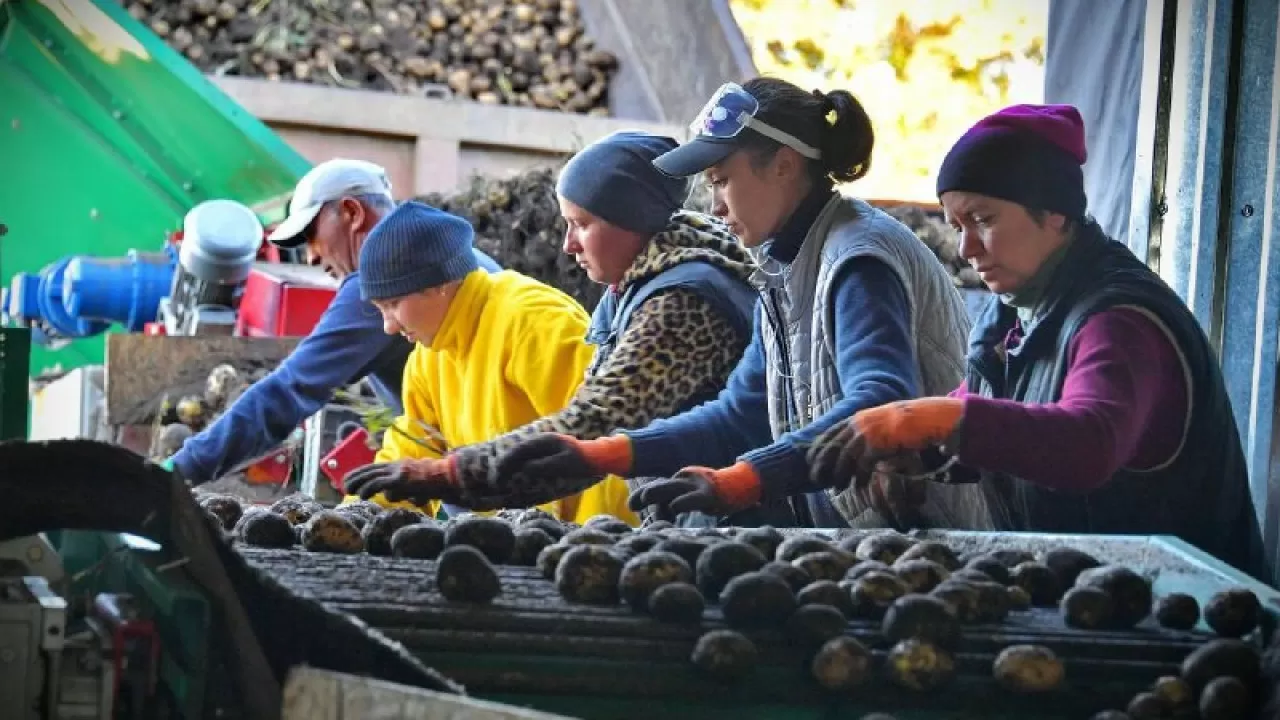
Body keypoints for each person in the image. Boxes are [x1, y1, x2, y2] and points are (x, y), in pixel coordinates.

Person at [479, 77, 981, 530]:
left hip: (935, 538)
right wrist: (608, 454)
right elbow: (742, 412)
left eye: (722, 181)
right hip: (864, 536)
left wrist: (742, 481)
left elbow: (878, 399)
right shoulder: (781, 269)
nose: (715, 206)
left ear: (784, 166)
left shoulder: (858, 257)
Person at [805, 104, 1266, 577]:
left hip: (1194, 618)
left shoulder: (1121, 321)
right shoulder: (1019, 316)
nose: (966, 249)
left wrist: (922, 417)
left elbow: (1087, 444)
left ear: (1055, 215)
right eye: (957, 226)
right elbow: (993, 415)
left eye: (982, 219)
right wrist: (917, 452)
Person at [342, 131, 758, 525]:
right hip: (688, 516)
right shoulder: (633, 291)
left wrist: (453, 474)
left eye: (582, 224)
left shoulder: (681, 301)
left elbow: (592, 428)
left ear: (631, 221)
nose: (567, 244)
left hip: (725, 522)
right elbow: (415, 444)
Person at [167, 158, 500, 485]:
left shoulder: (389, 279)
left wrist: (176, 471)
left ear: (352, 213)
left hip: (488, 480)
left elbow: (287, 392)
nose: (311, 256)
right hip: (493, 467)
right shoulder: (450, 255)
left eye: (311, 234)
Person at [343, 199, 638, 524]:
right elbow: (411, 455)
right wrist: (354, 518)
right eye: (380, 309)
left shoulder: (532, 321)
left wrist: (595, 545)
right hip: (516, 543)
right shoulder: (426, 359)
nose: (388, 326)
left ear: (439, 283)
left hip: (592, 540)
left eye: (394, 304)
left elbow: (604, 442)